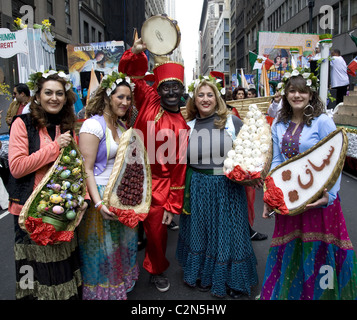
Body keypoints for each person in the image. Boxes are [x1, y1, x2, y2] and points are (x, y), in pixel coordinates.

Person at [260, 69, 357, 300]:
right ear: (285, 94)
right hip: (290, 202)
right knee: (291, 248)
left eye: (302, 91)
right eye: (292, 90)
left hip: (318, 202)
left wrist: (329, 197)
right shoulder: (279, 124)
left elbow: (336, 159)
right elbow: (276, 161)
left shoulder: (322, 121)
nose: (297, 95)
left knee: (321, 252)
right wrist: (270, 196)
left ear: (311, 94)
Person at [7, 70, 89, 300]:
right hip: (29, 212)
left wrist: (84, 199)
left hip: (62, 213)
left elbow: (77, 168)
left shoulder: (67, 126)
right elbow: (17, 167)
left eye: (59, 93)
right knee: (33, 273)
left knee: (60, 269)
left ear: (66, 98)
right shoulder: (22, 124)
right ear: (38, 96)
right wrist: (54, 148)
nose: (54, 98)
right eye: (48, 93)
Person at [176, 77, 258, 299]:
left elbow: (250, 153)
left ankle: (234, 281)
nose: (205, 99)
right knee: (200, 233)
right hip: (198, 186)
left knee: (229, 234)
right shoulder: (187, 126)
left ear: (217, 97)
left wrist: (254, 175)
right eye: (200, 95)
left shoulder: (232, 122)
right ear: (194, 99)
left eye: (209, 95)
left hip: (227, 186)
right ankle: (204, 274)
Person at [119, 38, 189, 293]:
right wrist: (135, 52)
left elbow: (179, 171)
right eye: (166, 88)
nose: (170, 93)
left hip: (159, 186)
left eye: (175, 88)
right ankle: (120, 273)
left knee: (157, 235)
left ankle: (156, 270)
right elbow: (131, 75)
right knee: (123, 227)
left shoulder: (181, 127)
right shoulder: (148, 100)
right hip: (132, 175)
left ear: (182, 91)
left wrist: (172, 205)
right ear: (158, 89)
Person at [78, 72, 139, 300]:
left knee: (122, 245)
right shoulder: (92, 125)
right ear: (107, 97)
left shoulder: (122, 127)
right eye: (120, 97)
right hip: (100, 195)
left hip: (121, 195)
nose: (125, 102)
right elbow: (87, 169)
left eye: (128, 99)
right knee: (102, 250)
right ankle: (103, 292)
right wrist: (97, 203)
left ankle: (120, 285)